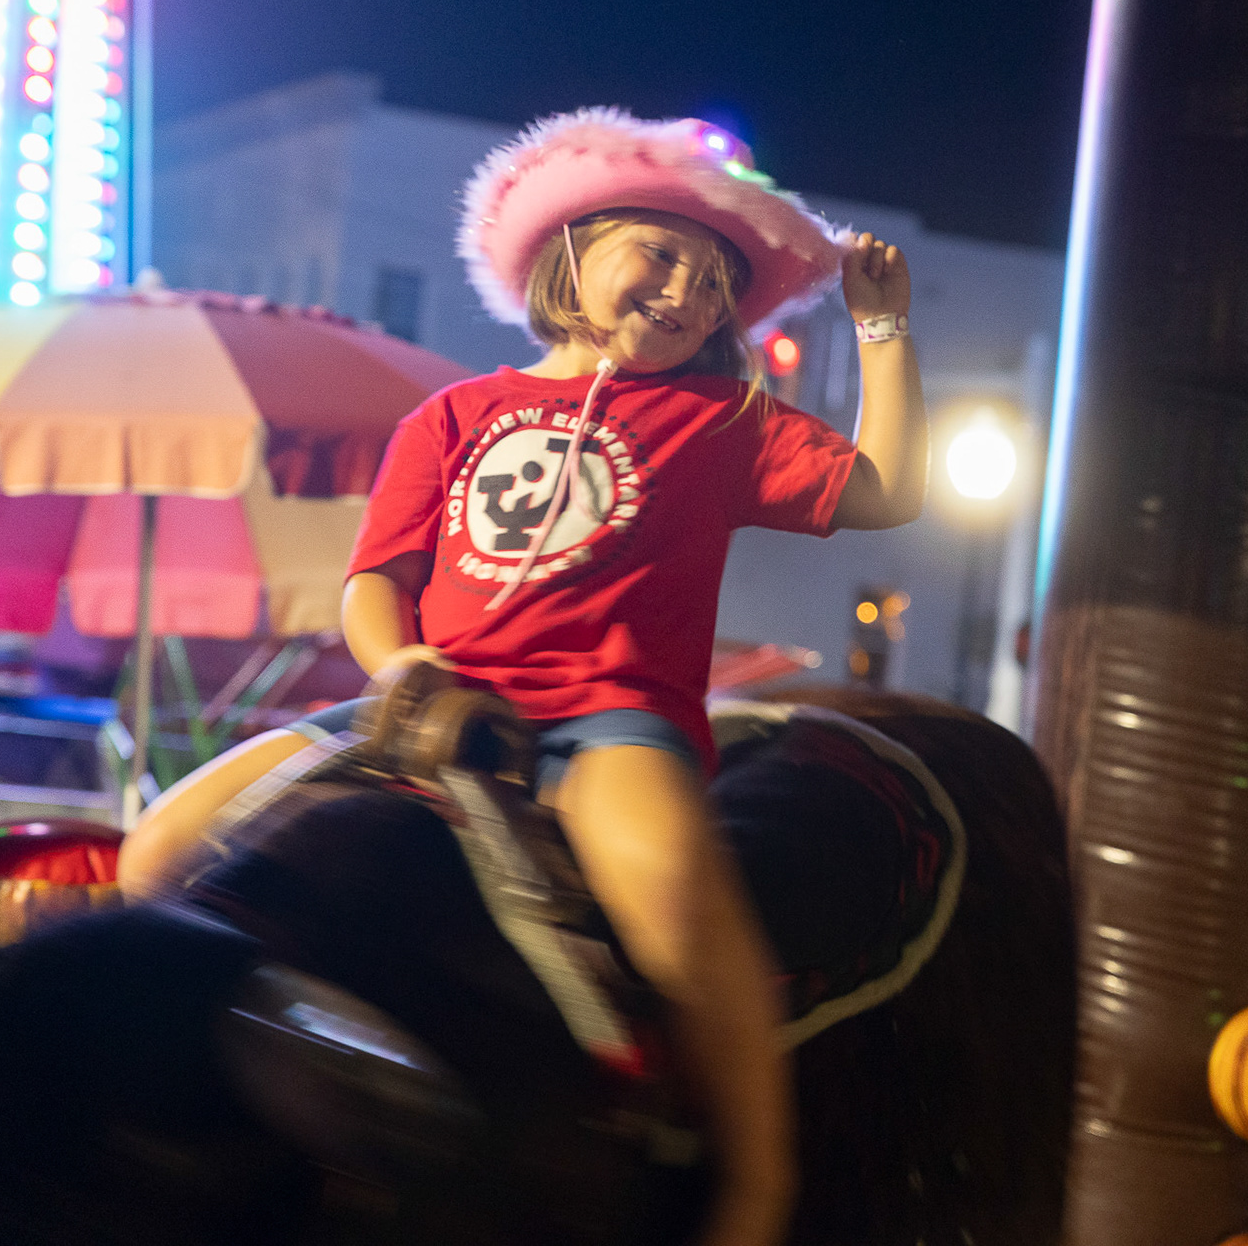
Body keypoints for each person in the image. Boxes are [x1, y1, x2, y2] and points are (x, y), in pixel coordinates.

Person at [123, 108, 926, 1246]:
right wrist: (402, 664)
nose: (689, 292)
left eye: (715, 284)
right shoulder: (450, 413)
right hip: (419, 703)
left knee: (674, 900)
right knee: (158, 846)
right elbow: (375, 583)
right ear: (574, 248)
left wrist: (883, 330)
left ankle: (756, 1176)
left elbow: (888, 490)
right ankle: (166, 1081)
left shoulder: (722, 420)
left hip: (605, 721)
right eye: (662, 253)